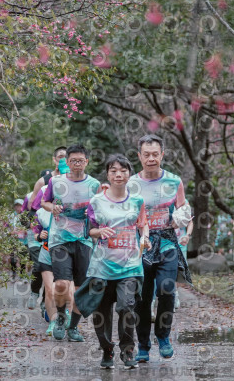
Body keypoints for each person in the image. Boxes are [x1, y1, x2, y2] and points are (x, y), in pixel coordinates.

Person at [77, 154, 151, 369]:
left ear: (129, 174)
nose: (119, 174)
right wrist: (99, 232)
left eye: (123, 170)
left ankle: (128, 350)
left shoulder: (137, 201)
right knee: (101, 314)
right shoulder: (96, 201)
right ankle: (106, 348)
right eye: (114, 171)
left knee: (126, 306)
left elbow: (143, 225)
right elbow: (89, 230)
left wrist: (145, 238)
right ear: (108, 174)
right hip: (101, 266)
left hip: (130, 266)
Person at [127, 134, 191, 362]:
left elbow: (183, 209)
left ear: (162, 155)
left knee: (166, 288)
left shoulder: (174, 181)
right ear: (139, 156)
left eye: (155, 154)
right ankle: (143, 346)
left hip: (167, 242)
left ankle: (163, 336)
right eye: (147, 155)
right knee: (142, 297)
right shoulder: (131, 184)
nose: (151, 159)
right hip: (141, 245)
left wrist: (180, 219)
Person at [41, 143, 101, 342]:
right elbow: (44, 202)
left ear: (87, 162)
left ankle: (74, 327)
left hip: (84, 240)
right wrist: (52, 208)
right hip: (59, 239)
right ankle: (60, 317)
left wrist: (92, 216)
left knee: (80, 288)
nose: (77, 164)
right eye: (73, 160)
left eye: (80, 161)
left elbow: (99, 210)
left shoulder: (94, 184)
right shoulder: (56, 182)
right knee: (60, 284)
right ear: (66, 162)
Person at [31, 185, 70, 336]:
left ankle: (66, 314)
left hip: (66, 254)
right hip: (47, 253)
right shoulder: (40, 213)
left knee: (65, 288)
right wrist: (40, 236)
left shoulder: (70, 210)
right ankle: (53, 321)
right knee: (49, 289)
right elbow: (34, 233)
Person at [21, 192, 44, 312]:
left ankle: (45, 300)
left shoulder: (59, 192)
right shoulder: (29, 196)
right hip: (34, 239)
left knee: (52, 269)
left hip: (52, 239)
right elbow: (23, 216)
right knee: (39, 266)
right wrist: (29, 224)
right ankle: (34, 293)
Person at [174, 216, 193, 309]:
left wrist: (187, 235)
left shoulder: (184, 207)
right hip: (166, 242)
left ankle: (175, 293)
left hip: (181, 243)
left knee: (179, 270)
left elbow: (190, 222)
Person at [8, 198, 28, 281]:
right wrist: (10, 232)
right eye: (16, 206)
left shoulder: (26, 216)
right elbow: (6, 228)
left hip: (23, 241)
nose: (18, 208)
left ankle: (22, 276)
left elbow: (31, 228)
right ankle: (13, 274)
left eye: (20, 206)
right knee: (13, 260)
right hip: (13, 241)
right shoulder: (10, 216)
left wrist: (24, 230)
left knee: (23, 260)